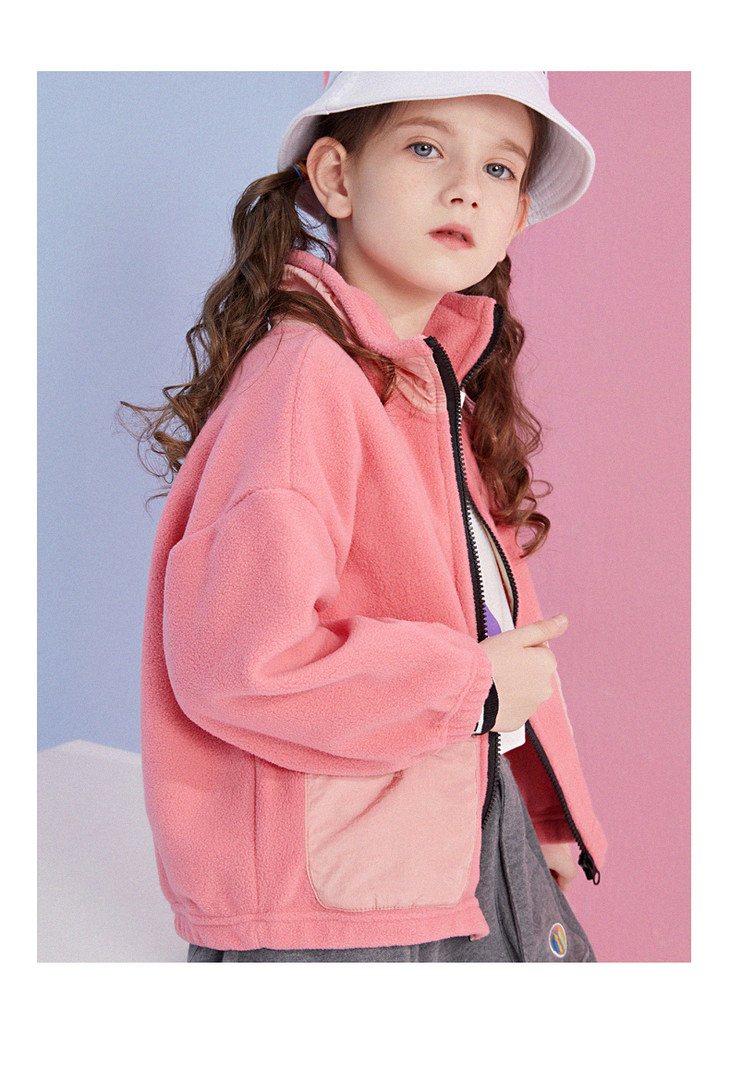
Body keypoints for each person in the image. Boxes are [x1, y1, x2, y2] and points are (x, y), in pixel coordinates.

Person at [122, 71, 607, 963]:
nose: (464, 188)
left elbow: (488, 621)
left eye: (499, 169)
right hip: (340, 908)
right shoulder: (308, 381)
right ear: (337, 178)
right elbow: (242, 659)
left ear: (517, 219)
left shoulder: (432, 391)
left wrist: (537, 808)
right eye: (425, 147)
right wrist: (472, 688)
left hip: (439, 856)